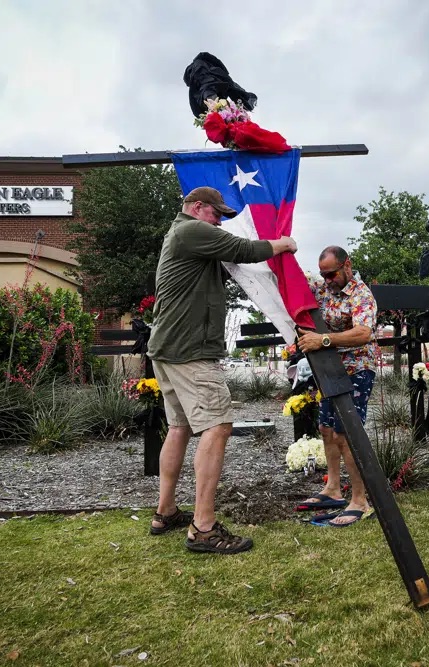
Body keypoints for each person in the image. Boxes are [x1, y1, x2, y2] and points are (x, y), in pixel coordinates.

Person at [147, 186, 298, 554]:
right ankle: (204, 527)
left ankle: (165, 512)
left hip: (168, 348)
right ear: (197, 208)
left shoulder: (181, 235)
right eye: (217, 214)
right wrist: (284, 244)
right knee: (218, 425)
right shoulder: (191, 230)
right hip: (189, 352)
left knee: (179, 427)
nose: (220, 222)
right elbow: (244, 250)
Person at [293, 246, 379, 527]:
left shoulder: (361, 294)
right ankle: (332, 488)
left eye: (332, 274)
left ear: (347, 266)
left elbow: (363, 333)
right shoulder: (324, 287)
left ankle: (360, 500)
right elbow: (294, 280)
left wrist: (324, 339)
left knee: (347, 434)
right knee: (327, 429)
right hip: (330, 370)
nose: (327, 280)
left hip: (357, 370)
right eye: (323, 275)